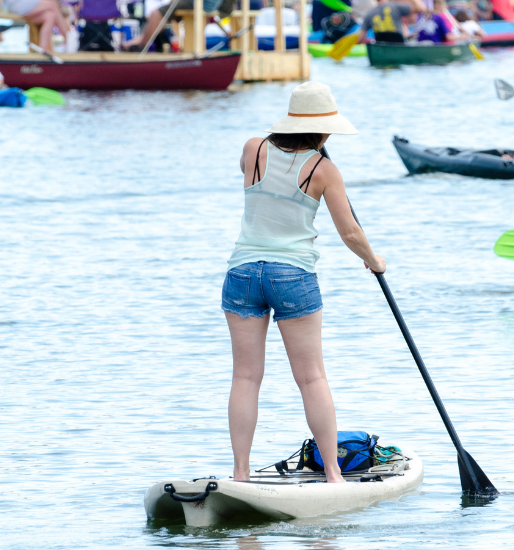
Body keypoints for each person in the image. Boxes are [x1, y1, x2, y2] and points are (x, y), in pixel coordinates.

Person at [224, 82, 386, 483]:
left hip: (242, 272)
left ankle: (241, 473)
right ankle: (333, 474)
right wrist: (375, 261)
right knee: (311, 377)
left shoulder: (252, 149)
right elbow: (349, 233)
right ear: (324, 130)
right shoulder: (324, 170)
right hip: (292, 275)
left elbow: (254, 179)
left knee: (245, 377)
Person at [122, 0, 232, 51]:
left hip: (205, 4)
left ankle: (140, 44)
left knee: (156, 14)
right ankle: (139, 41)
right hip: (217, 6)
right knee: (163, 13)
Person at [0, 0, 74, 52]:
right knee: (53, 4)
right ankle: (69, 39)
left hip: (25, 5)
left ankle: (42, 50)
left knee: (50, 15)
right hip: (15, 4)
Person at [356, 0, 426, 43]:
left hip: (381, 46)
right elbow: (421, 9)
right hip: (398, 44)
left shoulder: (369, 13)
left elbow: (361, 38)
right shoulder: (396, 6)